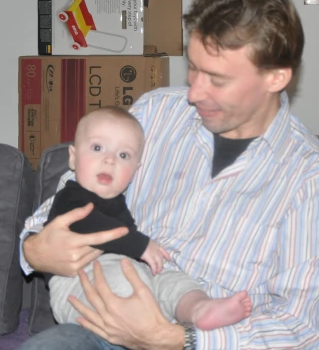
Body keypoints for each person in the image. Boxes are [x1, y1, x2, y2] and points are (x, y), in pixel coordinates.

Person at [8, 0, 319, 350]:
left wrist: (176, 340)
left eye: (217, 80)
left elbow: (302, 330)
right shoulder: (156, 114)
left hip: (219, 348)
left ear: (275, 78)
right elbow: (72, 197)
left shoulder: (313, 178)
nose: (194, 93)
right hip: (109, 326)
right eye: (193, 69)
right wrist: (35, 248)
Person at [45, 106, 253, 334]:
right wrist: (140, 245)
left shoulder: (118, 202)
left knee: (172, 279)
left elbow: (127, 249)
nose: (109, 160)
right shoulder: (70, 197)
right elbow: (91, 227)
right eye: (97, 148)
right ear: (73, 158)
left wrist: (143, 255)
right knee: (123, 287)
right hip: (77, 280)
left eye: (123, 155)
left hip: (126, 269)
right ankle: (147, 348)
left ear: (135, 170)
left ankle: (198, 308)